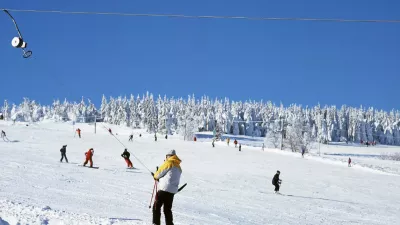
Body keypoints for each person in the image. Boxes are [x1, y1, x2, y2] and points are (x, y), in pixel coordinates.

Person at [151, 150, 182, 225]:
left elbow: (159, 173)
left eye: (166, 156)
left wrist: (155, 176)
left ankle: (156, 223)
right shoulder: (178, 166)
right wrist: (160, 179)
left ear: (169, 156)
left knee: (156, 206)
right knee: (167, 209)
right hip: (172, 191)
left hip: (164, 189)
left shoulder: (169, 163)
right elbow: (169, 177)